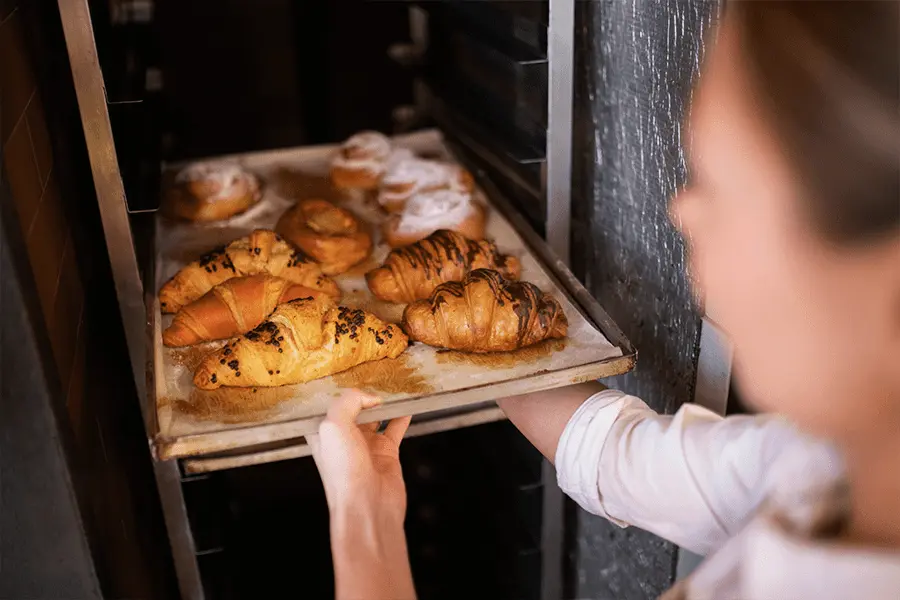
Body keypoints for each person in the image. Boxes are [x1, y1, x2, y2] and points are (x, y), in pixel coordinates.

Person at [308, 2, 899, 598]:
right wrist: (482, 330)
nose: (681, 212)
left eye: (721, 186)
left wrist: (359, 523)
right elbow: (616, 456)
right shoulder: (815, 467)